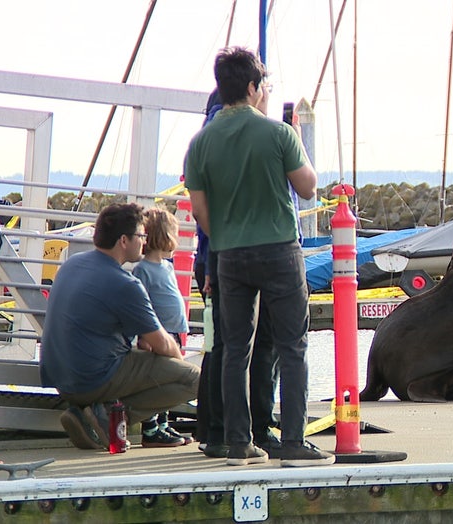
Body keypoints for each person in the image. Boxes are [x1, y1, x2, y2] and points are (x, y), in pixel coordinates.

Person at [184, 47, 334, 467]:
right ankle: (292, 440)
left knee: (235, 348)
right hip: (279, 250)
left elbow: (199, 210)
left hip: (230, 254)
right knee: (292, 346)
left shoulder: (200, 143)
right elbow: (307, 186)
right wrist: (295, 138)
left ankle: (238, 442)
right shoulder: (277, 134)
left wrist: (227, 234)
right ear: (253, 88)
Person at [39, 203, 200, 451]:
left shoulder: (72, 264)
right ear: (124, 240)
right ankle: (107, 417)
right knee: (196, 380)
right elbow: (162, 343)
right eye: (140, 235)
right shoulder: (124, 283)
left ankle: (92, 414)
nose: (144, 241)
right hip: (93, 379)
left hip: (62, 379)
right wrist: (178, 367)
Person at [192, 89, 281, 460]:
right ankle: (256, 428)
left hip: (215, 257)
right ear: (252, 90)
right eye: (267, 89)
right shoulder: (245, 135)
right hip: (240, 255)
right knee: (261, 347)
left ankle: (217, 431)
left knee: (221, 346)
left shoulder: (206, 136)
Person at [131, 207, 192, 447]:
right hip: (158, 335)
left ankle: (164, 424)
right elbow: (142, 304)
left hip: (173, 332)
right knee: (157, 380)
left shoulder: (167, 266)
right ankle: (150, 427)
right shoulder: (143, 269)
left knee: (169, 380)